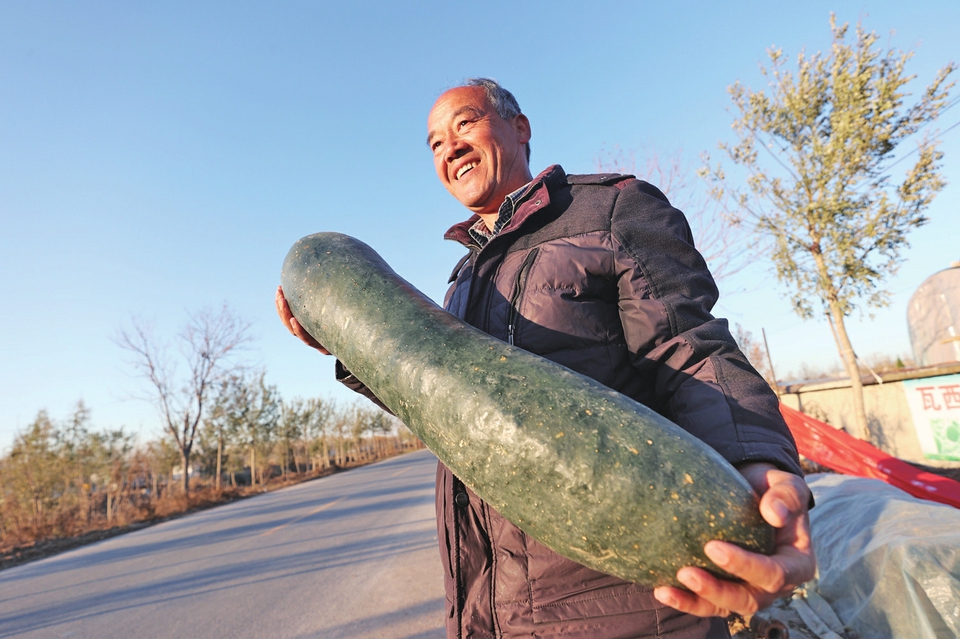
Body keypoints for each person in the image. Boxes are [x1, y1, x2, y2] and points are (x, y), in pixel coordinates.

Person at [276, 78, 815, 639]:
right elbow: (437, 407)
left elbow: (689, 346)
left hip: (620, 611)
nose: (450, 147)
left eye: (464, 124)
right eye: (434, 143)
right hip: (489, 609)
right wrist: (353, 349)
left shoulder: (608, 210)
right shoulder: (461, 281)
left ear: (520, 127)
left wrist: (758, 461)